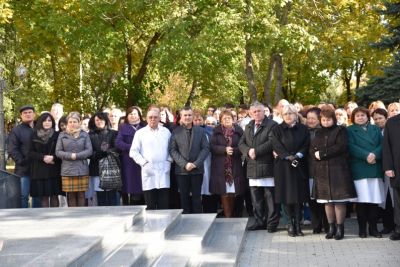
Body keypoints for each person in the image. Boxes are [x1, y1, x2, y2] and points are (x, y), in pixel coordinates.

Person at [310, 108, 357, 240]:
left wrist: (323, 153)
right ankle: (331, 228)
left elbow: (341, 146)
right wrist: (315, 154)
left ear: (333, 119)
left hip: (338, 170)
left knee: (339, 201)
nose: (325, 122)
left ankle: (340, 228)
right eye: (323, 120)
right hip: (322, 171)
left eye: (328, 120)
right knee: (327, 202)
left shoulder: (341, 130)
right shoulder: (318, 132)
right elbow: (312, 148)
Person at [239, 101, 279, 232]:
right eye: (254, 112)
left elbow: (272, 141)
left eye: (259, 111)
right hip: (252, 166)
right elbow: (241, 142)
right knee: (256, 198)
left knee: (270, 198)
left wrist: (256, 151)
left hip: (267, 165)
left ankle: (272, 223)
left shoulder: (272, 125)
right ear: (250, 113)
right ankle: (259, 221)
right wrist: (248, 151)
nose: (256, 113)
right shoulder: (249, 126)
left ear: (264, 111)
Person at [272, 104, 310, 237]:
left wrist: (298, 155)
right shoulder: (277, 129)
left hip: (299, 165)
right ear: (282, 116)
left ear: (295, 115)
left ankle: (298, 224)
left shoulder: (303, 129)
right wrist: (287, 156)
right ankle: (289, 223)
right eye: (285, 114)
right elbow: (275, 144)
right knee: (286, 196)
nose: (288, 116)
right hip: (283, 166)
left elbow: (306, 144)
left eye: (291, 113)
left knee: (299, 196)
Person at [348, 107, 385, 238]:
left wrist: (374, 154)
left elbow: (383, 144)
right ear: (353, 118)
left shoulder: (375, 129)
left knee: (374, 202)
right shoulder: (349, 130)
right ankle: (362, 229)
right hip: (360, 169)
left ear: (367, 116)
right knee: (362, 202)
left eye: (362, 115)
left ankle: (373, 229)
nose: (360, 117)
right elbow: (351, 146)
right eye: (357, 115)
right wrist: (366, 155)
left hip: (374, 168)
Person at [169, 106, 209, 214]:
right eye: (185, 115)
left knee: (197, 197)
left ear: (192, 116)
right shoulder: (175, 132)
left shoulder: (201, 131)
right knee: (184, 197)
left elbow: (205, 148)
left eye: (189, 115)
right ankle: (185, 220)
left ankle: (198, 221)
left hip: (197, 170)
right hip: (182, 171)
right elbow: (172, 150)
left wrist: (196, 164)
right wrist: (185, 164)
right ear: (181, 117)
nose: (187, 117)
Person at [130, 108, 172, 210]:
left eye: (155, 117)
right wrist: (144, 163)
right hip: (148, 172)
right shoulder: (140, 133)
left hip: (163, 171)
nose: (153, 119)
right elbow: (133, 152)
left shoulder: (166, 132)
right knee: (150, 206)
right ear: (146, 118)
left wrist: (169, 161)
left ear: (159, 118)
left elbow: (172, 149)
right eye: (150, 117)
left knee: (164, 205)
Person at [210, 110, 245, 217]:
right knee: (224, 192)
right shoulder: (216, 132)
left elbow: (243, 146)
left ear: (233, 119)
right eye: (224, 118)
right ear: (220, 120)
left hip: (234, 165)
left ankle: (232, 214)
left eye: (228, 118)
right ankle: (228, 216)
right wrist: (224, 150)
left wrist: (234, 150)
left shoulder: (239, 131)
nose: (227, 120)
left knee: (232, 191)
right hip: (221, 167)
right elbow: (212, 147)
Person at [56, 112, 93, 207]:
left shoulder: (84, 135)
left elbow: (89, 151)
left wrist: (77, 156)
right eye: (70, 121)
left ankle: (81, 216)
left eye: (75, 121)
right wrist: (70, 155)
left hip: (81, 168)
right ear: (67, 123)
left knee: (81, 194)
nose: (72, 123)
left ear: (79, 122)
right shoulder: (62, 135)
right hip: (67, 169)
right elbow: (58, 152)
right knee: (71, 195)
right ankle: (72, 216)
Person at [8, 105, 40, 208]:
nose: (28, 114)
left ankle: (38, 217)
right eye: (25, 113)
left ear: (34, 114)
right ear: (21, 115)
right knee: (23, 196)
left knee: (37, 195)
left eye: (30, 112)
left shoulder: (39, 128)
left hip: (39, 168)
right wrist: (22, 161)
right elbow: (13, 149)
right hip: (23, 169)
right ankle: (25, 218)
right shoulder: (16, 130)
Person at [29, 113, 62, 208]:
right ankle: (46, 220)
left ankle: (55, 218)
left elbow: (62, 150)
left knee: (55, 196)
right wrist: (43, 157)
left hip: (54, 169)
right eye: (45, 120)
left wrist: (53, 157)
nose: (47, 122)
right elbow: (30, 152)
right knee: (44, 197)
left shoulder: (57, 135)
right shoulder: (34, 135)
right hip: (40, 170)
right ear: (40, 122)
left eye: (49, 120)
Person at [115, 106, 146, 205]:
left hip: (144, 160)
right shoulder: (123, 127)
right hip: (129, 161)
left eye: (135, 114)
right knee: (133, 188)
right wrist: (132, 147)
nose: (133, 116)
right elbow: (118, 143)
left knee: (145, 186)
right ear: (127, 116)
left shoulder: (145, 127)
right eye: (130, 114)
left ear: (139, 116)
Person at [305, 107, 329, 234]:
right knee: (312, 199)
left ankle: (327, 224)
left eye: (313, 118)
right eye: (308, 118)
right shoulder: (304, 131)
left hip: (323, 170)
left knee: (324, 199)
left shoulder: (325, 131)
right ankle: (316, 225)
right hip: (308, 170)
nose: (310, 120)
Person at [88, 112, 119, 206]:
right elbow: (89, 152)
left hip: (111, 168)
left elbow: (117, 148)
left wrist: (106, 151)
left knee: (112, 197)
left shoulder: (113, 133)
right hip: (96, 168)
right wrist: (100, 153)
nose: (99, 122)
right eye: (97, 120)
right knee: (101, 197)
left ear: (105, 120)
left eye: (101, 119)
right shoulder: (90, 135)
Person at [372, 108, 395, 234]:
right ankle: (388, 225)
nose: (378, 121)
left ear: (386, 118)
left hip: (391, 168)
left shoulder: (392, 129)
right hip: (379, 170)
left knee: (392, 198)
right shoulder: (375, 131)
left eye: (380, 118)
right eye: (375, 119)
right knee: (384, 199)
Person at [383, 112, 400, 240]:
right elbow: (386, 146)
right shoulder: (392, 122)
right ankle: (399, 229)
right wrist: (388, 167)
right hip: (397, 168)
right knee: (398, 201)